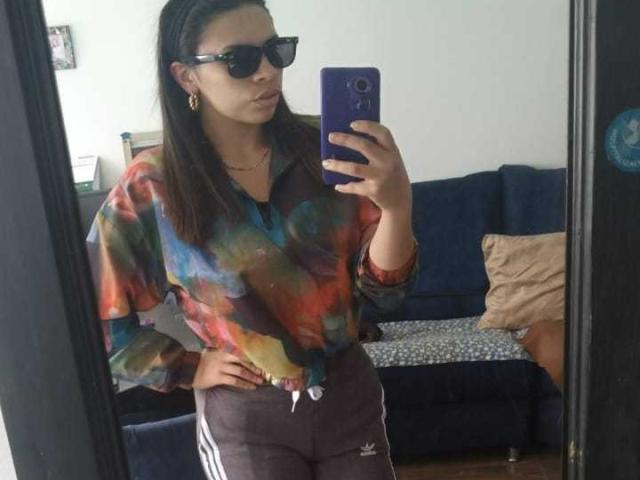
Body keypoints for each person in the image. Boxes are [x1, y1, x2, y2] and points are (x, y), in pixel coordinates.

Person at [86, 0, 419, 478]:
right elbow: (96, 318)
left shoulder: (328, 151)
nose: (267, 71)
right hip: (245, 416)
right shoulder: (153, 185)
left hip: (348, 395)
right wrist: (185, 366)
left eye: (276, 50)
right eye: (239, 59)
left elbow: (385, 295)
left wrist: (398, 206)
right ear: (186, 76)